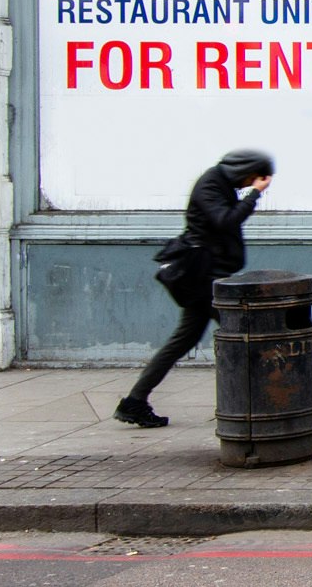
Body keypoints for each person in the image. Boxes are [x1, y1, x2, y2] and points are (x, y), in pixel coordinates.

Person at [115, 150, 275, 429]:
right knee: (249, 334)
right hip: (204, 278)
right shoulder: (211, 184)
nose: (251, 183)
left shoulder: (220, 183)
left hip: (208, 276)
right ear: (245, 170)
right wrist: (254, 195)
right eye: (252, 178)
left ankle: (135, 401)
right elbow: (225, 221)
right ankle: (267, 402)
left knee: (183, 340)